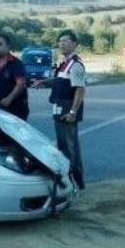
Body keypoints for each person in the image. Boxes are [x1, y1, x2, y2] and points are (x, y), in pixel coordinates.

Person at [35, 30, 86, 190]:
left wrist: (73, 112)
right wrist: (45, 82)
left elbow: (80, 90)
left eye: (65, 40)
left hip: (67, 111)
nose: (62, 44)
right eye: (60, 41)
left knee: (70, 148)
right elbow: (59, 80)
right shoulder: (64, 63)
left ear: (74, 43)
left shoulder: (76, 64)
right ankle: (70, 182)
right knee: (63, 147)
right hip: (58, 109)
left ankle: (76, 182)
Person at [0, 34, 29, 120]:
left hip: (18, 108)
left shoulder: (16, 63)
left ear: (8, 47)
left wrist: (9, 98)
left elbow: (21, 84)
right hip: (1, 106)